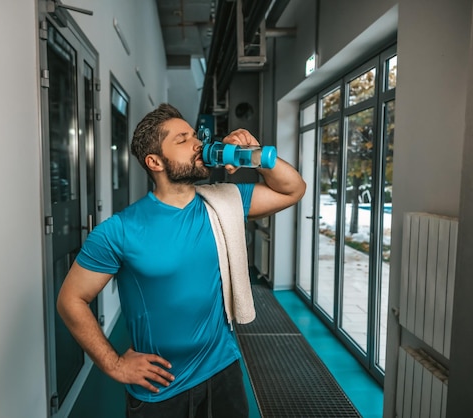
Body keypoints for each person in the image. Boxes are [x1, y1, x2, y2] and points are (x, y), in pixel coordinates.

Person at [57, 103, 306, 418]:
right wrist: (115, 364)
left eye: (195, 135)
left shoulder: (223, 202)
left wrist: (255, 155)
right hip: (161, 388)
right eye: (183, 139)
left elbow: (292, 189)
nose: (198, 144)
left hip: (222, 369)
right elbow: (71, 299)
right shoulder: (119, 230)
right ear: (155, 161)